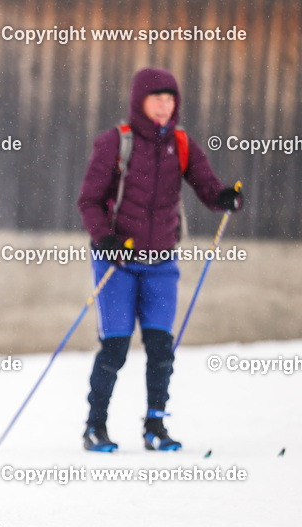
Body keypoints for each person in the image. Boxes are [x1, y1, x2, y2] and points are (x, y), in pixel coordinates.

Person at [77, 67, 242, 452]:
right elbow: (89, 200)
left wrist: (224, 198)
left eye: (171, 100)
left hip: (162, 262)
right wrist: (105, 239)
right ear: (140, 101)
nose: (166, 107)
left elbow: (207, 185)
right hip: (117, 261)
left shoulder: (182, 144)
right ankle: (94, 426)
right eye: (158, 99)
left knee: (160, 348)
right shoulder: (115, 142)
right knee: (115, 346)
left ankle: (156, 426)